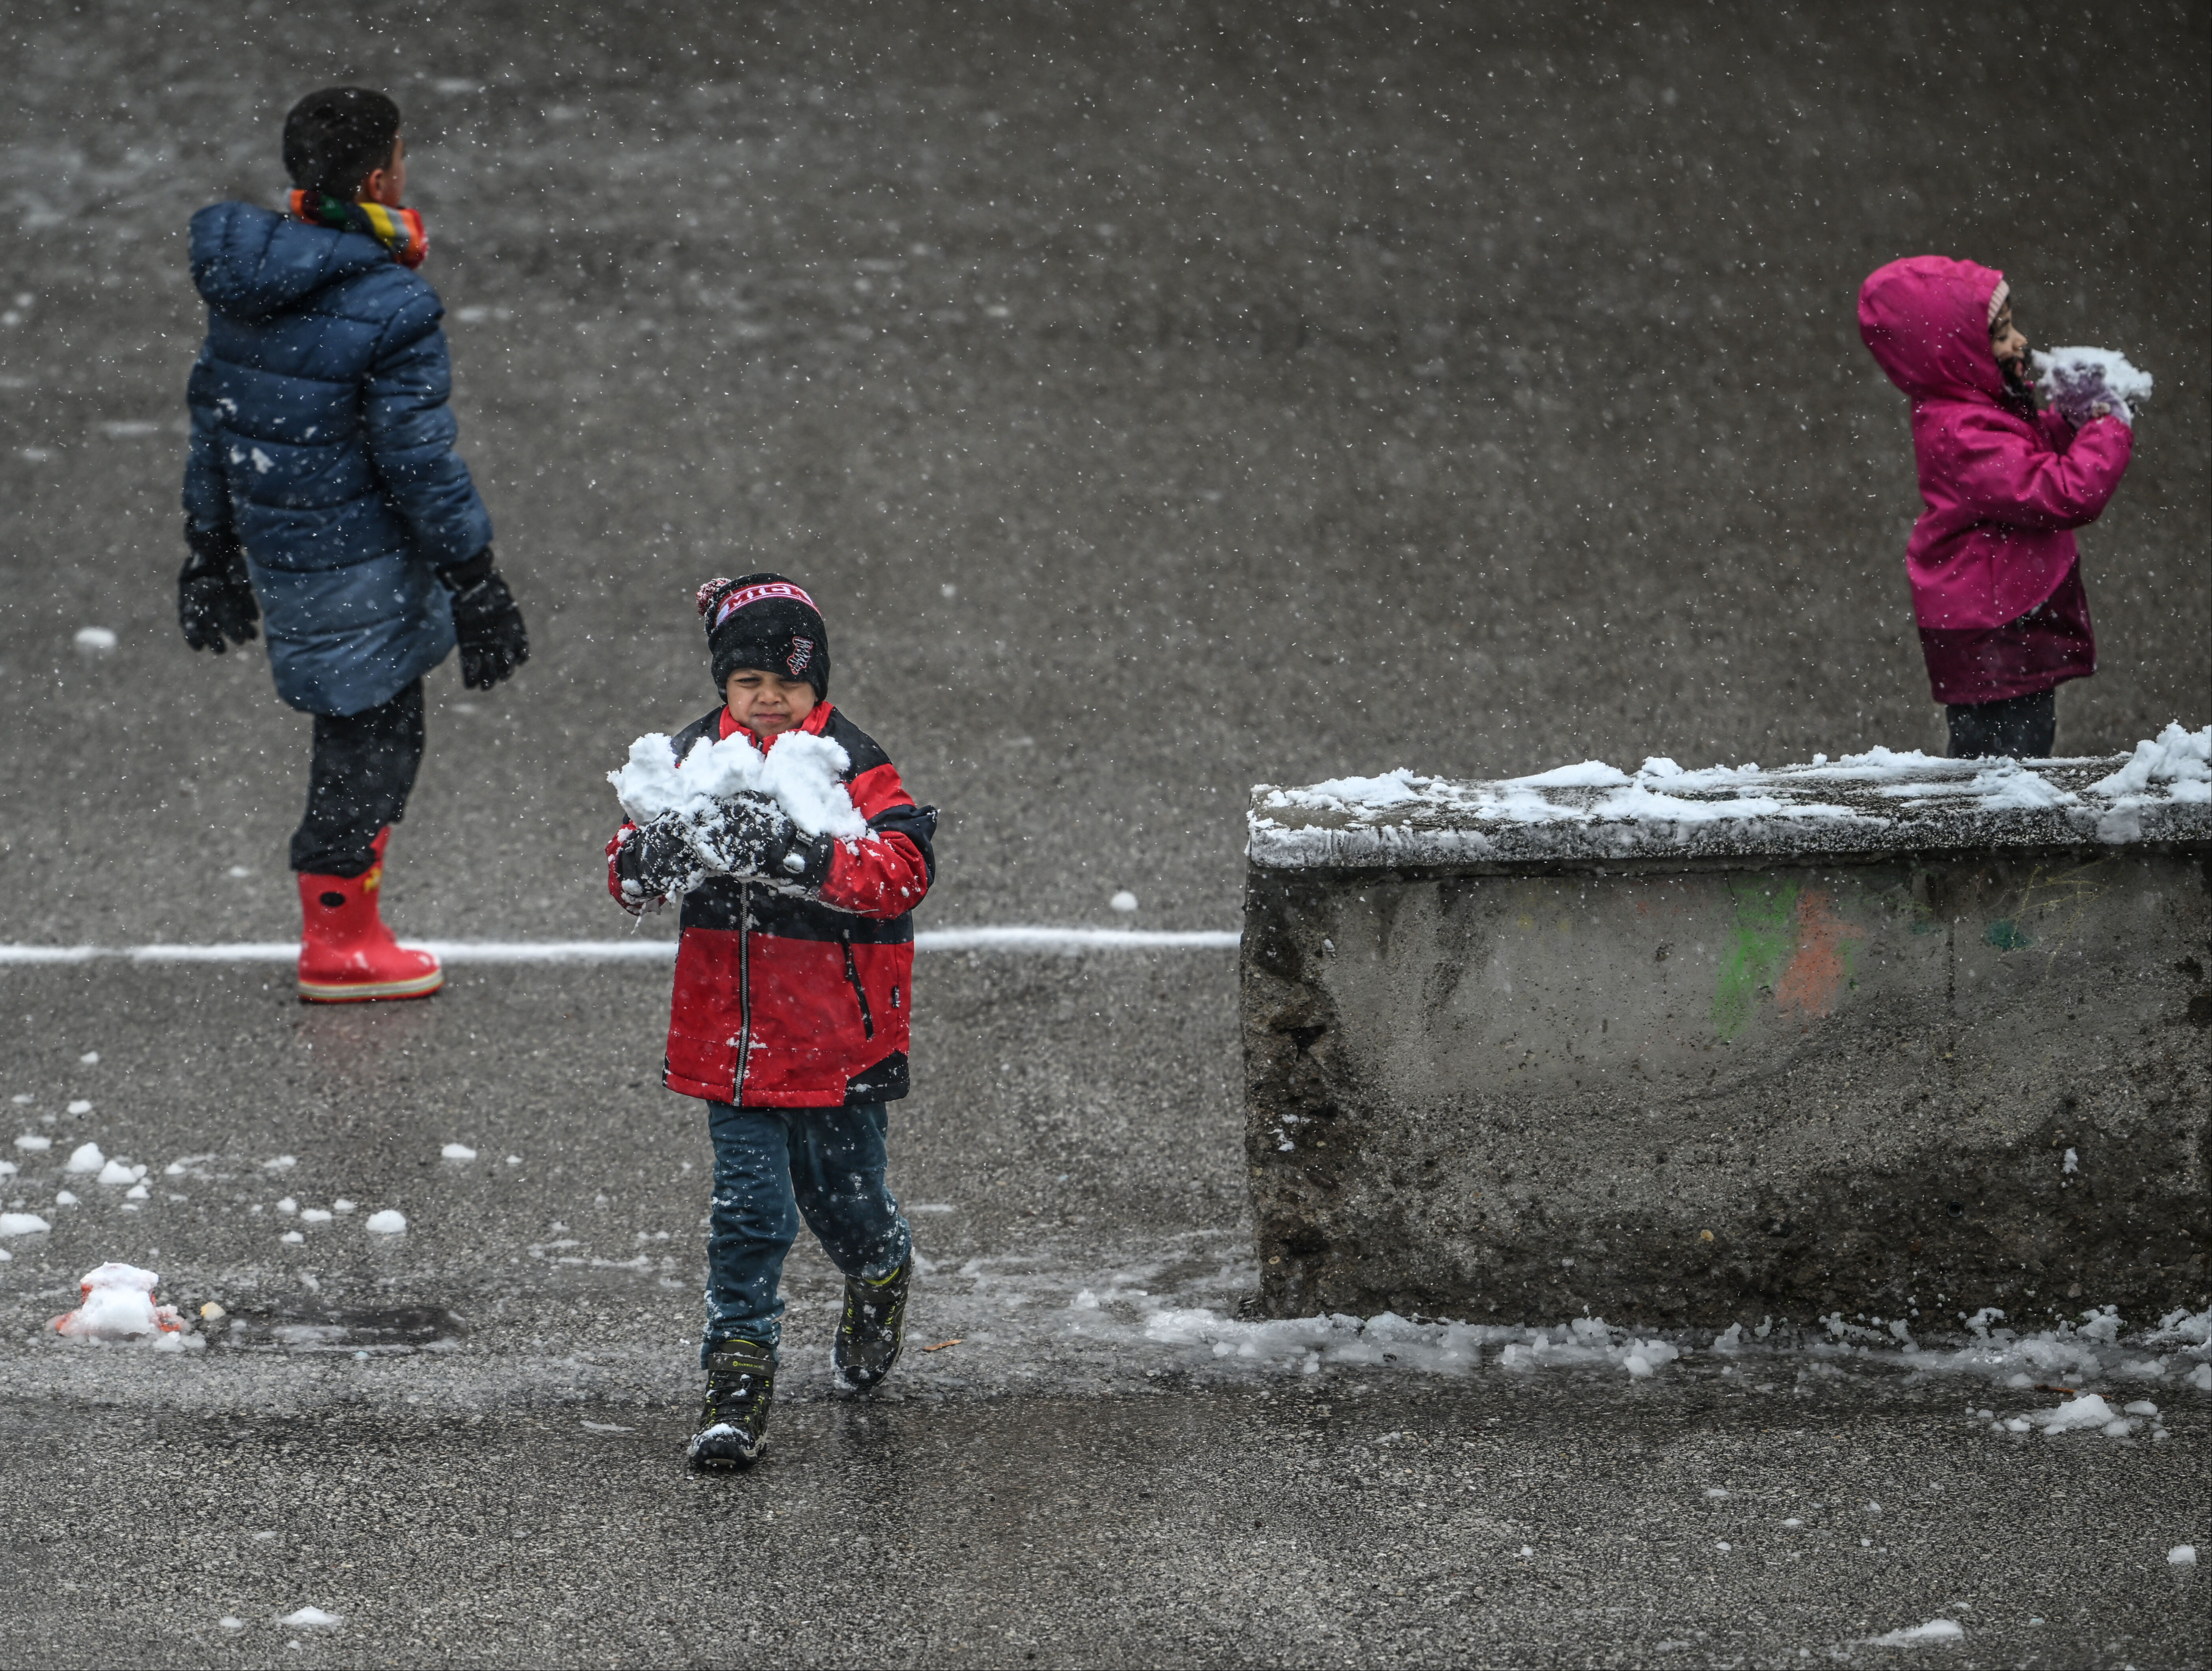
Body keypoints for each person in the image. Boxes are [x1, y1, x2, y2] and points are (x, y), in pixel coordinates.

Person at [180, 87, 529, 1001]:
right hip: (360, 556)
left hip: (283, 547)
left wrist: (210, 548)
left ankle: (342, 930)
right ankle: (340, 944)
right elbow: (418, 459)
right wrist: (474, 577)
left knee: (358, 734)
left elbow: (215, 417)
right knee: (372, 741)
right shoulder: (390, 301)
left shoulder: (247, 283)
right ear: (380, 179)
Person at [607, 575, 937, 1468]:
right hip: (734, 1042)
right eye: (749, 680)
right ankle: (736, 1383)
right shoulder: (692, 754)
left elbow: (904, 870)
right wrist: (650, 859)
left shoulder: (848, 759)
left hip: (838, 1041)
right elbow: (627, 869)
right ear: (724, 681)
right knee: (748, 1216)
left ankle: (880, 1266)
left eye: (789, 683)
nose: (768, 699)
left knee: (846, 1204)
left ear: (815, 684)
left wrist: (800, 853)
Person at [1858, 256, 2134, 759]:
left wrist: (2071, 424)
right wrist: (2106, 429)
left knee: (2009, 749)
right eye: (2001, 333)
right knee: (2003, 762)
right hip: (1997, 631)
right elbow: (2062, 492)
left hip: (2002, 622)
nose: (2019, 342)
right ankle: (1991, 816)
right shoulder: (1964, 432)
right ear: (1956, 353)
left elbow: (2024, 462)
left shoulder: (1977, 411)